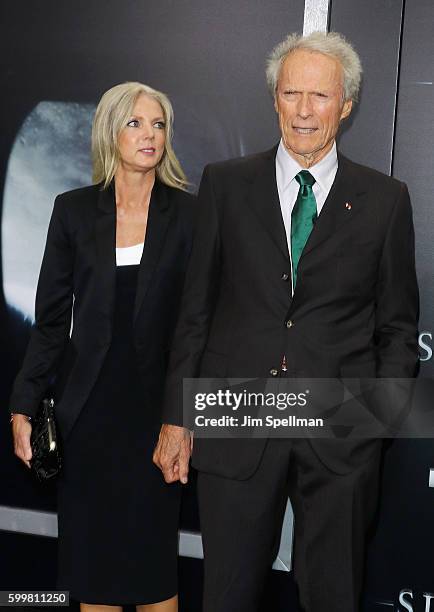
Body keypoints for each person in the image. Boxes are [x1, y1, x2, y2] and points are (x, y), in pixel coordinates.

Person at [153, 32, 419, 612]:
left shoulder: (386, 199)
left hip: (339, 427)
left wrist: (374, 418)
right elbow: (194, 311)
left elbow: (398, 328)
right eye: (291, 93)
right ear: (274, 98)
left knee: (332, 597)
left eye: (319, 97)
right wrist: (178, 417)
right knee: (227, 595)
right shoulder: (224, 184)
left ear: (346, 105)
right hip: (237, 417)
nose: (303, 111)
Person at [10, 81, 195, 611]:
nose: (149, 135)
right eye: (136, 123)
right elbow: (50, 324)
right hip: (86, 418)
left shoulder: (189, 216)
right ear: (110, 131)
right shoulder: (72, 212)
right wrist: (22, 404)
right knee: (93, 574)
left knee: (155, 572)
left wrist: (182, 418)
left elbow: (194, 327)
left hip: (157, 420)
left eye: (158, 124)